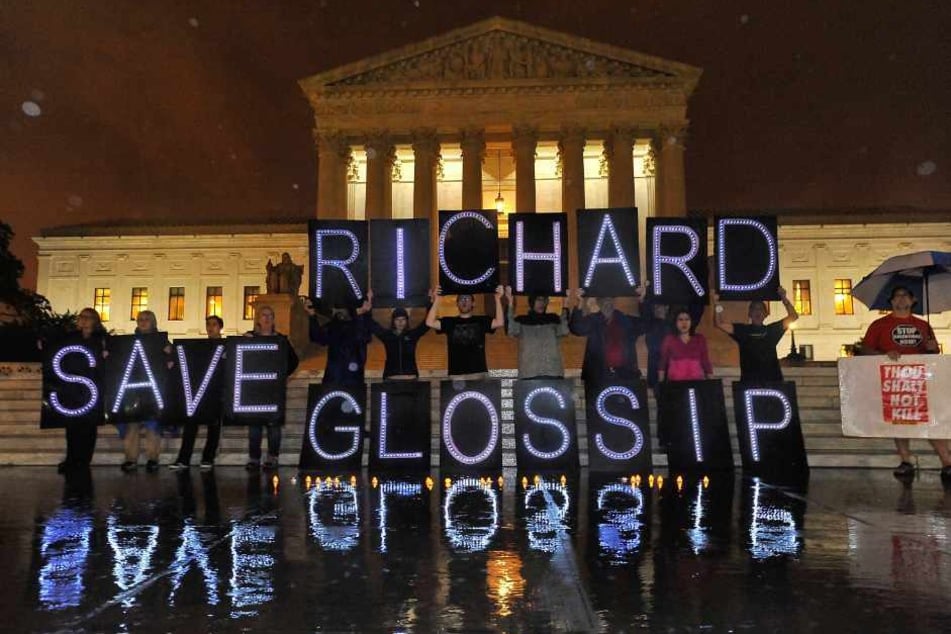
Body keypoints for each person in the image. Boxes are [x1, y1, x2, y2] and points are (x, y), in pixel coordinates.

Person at [860, 285, 950, 481]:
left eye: (905, 296)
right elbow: (865, 350)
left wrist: (933, 348)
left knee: (931, 418)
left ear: (913, 301)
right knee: (899, 420)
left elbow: (932, 355)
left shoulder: (923, 325)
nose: (901, 299)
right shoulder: (879, 325)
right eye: (897, 296)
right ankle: (905, 460)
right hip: (894, 380)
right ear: (891, 302)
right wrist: (884, 355)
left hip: (921, 379)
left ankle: (947, 461)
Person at [50, 307, 107, 473]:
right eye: (81, 316)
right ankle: (71, 459)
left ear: (95, 321)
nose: (83, 319)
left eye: (88, 317)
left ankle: (83, 460)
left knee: (88, 427)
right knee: (72, 427)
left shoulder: (102, 340)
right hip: (72, 387)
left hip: (92, 389)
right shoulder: (70, 338)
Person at [245, 305, 299, 470]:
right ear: (258, 319)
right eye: (263, 315)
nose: (267, 318)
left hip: (273, 389)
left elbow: (294, 361)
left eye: (269, 315)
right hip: (254, 387)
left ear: (273, 319)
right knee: (254, 425)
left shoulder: (281, 340)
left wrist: (282, 376)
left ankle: (272, 456)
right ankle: (254, 457)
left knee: (273, 425)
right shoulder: (249, 338)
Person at [169, 315, 225, 470]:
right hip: (198, 391)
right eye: (208, 324)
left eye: (214, 324)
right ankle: (183, 458)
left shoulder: (226, 346)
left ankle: (208, 458)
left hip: (215, 391)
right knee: (191, 424)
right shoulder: (200, 346)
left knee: (213, 426)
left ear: (220, 327)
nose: (210, 327)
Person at [568, 286, 648, 394]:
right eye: (603, 300)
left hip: (625, 374)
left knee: (625, 408)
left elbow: (646, 325)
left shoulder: (624, 320)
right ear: (598, 303)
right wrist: (580, 302)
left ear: (613, 302)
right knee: (597, 409)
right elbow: (576, 329)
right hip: (598, 375)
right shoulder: (593, 320)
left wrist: (642, 299)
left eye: (609, 299)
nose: (607, 303)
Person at [116, 310, 169, 473]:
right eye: (140, 319)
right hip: (132, 387)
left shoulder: (161, 341)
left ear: (153, 322)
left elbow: (171, 359)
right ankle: (130, 458)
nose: (143, 322)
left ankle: (153, 458)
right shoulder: (129, 342)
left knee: (152, 425)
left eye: (147, 319)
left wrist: (170, 355)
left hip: (153, 388)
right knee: (132, 423)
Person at [713, 286, 798, 381]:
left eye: (761, 309)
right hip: (750, 383)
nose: (758, 312)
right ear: (749, 313)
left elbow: (793, 316)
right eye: (754, 309)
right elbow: (720, 323)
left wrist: (784, 298)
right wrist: (716, 304)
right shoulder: (743, 330)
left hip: (772, 382)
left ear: (766, 314)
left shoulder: (772, 330)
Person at [426, 286, 505, 378]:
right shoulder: (449, 322)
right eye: (461, 299)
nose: (464, 301)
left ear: (473, 303)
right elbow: (429, 322)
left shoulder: (481, 320)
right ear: (457, 304)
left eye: (467, 299)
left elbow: (500, 322)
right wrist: (437, 300)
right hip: (456, 374)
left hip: (478, 373)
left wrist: (497, 299)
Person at [504, 286, 569, 379]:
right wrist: (510, 302)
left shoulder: (553, 319)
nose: (541, 303)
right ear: (532, 302)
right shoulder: (522, 320)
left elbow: (564, 331)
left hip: (552, 371)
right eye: (538, 300)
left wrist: (565, 305)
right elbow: (511, 329)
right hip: (529, 372)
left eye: (544, 300)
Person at [307, 296, 373, 385]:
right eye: (336, 309)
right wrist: (312, 316)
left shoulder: (358, 324)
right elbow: (318, 337)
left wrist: (362, 313)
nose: (336, 311)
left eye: (340, 308)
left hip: (353, 379)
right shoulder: (333, 326)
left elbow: (364, 336)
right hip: (334, 377)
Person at [367, 289, 431, 380]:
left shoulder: (412, 335)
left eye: (403, 319)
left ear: (407, 321)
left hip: (410, 377)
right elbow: (371, 324)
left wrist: (429, 301)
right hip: (391, 377)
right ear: (393, 321)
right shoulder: (387, 336)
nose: (400, 322)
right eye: (397, 319)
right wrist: (370, 300)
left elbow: (426, 324)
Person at [658, 308, 714, 383]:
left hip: (696, 383)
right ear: (675, 322)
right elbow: (662, 363)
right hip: (675, 385)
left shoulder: (700, 339)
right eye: (680, 320)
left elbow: (706, 362)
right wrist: (661, 386)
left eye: (687, 319)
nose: (684, 323)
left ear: (691, 322)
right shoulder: (669, 339)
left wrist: (712, 385)